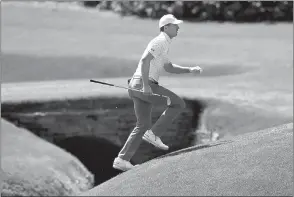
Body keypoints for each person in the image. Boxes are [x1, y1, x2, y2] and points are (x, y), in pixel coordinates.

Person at [113, 14, 202, 171]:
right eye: (175, 25)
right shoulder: (160, 41)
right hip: (144, 84)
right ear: (166, 27)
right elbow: (145, 61)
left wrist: (190, 69)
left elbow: (169, 67)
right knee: (177, 103)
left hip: (135, 85)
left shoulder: (164, 44)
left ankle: (122, 159)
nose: (178, 28)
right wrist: (146, 86)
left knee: (142, 125)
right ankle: (154, 133)